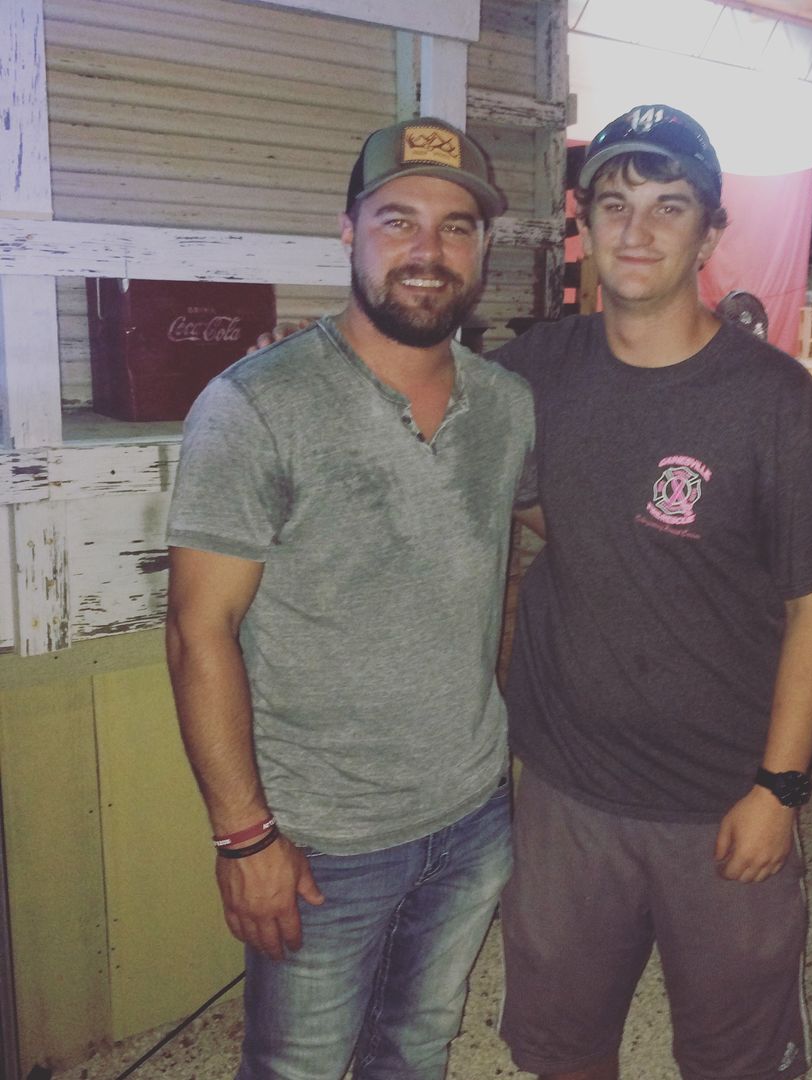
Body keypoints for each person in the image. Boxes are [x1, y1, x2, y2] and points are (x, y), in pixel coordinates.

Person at [492, 104, 812, 1080]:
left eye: (670, 205)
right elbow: (442, 428)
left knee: (735, 1056)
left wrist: (779, 788)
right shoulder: (533, 371)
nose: (638, 229)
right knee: (561, 1049)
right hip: (567, 793)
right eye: (615, 204)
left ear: (709, 234)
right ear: (583, 224)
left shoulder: (773, 399)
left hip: (723, 798)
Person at [164, 117, 536, 1080]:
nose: (427, 250)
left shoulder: (507, 406)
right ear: (348, 232)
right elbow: (200, 631)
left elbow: (528, 551)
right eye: (397, 219)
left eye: (457, 227)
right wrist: (244, 837)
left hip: (472, 815)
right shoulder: (256, 404)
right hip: (320, 840)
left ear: (483, 248)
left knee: (418, 1045)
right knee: (298, 1066)